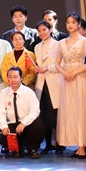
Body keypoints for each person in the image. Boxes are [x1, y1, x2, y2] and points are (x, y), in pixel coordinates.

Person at [56, 12, 86, 159]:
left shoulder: (84, 42)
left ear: (78, 24)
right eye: (68, 22)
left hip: (81, 78)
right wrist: (64, 73)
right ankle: (77, 144)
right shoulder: (61, 43)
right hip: (66, 80)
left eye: (73, 22)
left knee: (82, 109)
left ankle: (82, 146)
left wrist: (75, 72)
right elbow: (57, 63)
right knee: (71, 110)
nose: (70, 25)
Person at [0, 67, 46, 159]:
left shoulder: (29, 92)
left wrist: (23, 123)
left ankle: (32, 148)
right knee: (5, 139)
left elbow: (35, 111)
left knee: (39, 124)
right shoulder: (3, 93)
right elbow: (1, 112)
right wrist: (4, 126)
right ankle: (16, 149)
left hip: (26, 125)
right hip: (12, 125)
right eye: (10, 77)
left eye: (15, 77)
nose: (13, 80)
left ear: (21, 78)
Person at [33, 20, 64, 154]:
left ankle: (60, 143)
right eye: (39, 31)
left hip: (54, 81)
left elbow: (62, 64)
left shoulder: (58, 45)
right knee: (44, 114)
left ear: (50, 30)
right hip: (41, 82)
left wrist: (48, 67)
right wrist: (37, 69)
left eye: (44, 30)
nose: (42, 33)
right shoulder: (37, 47)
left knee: (55, 115)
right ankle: (48, 144)